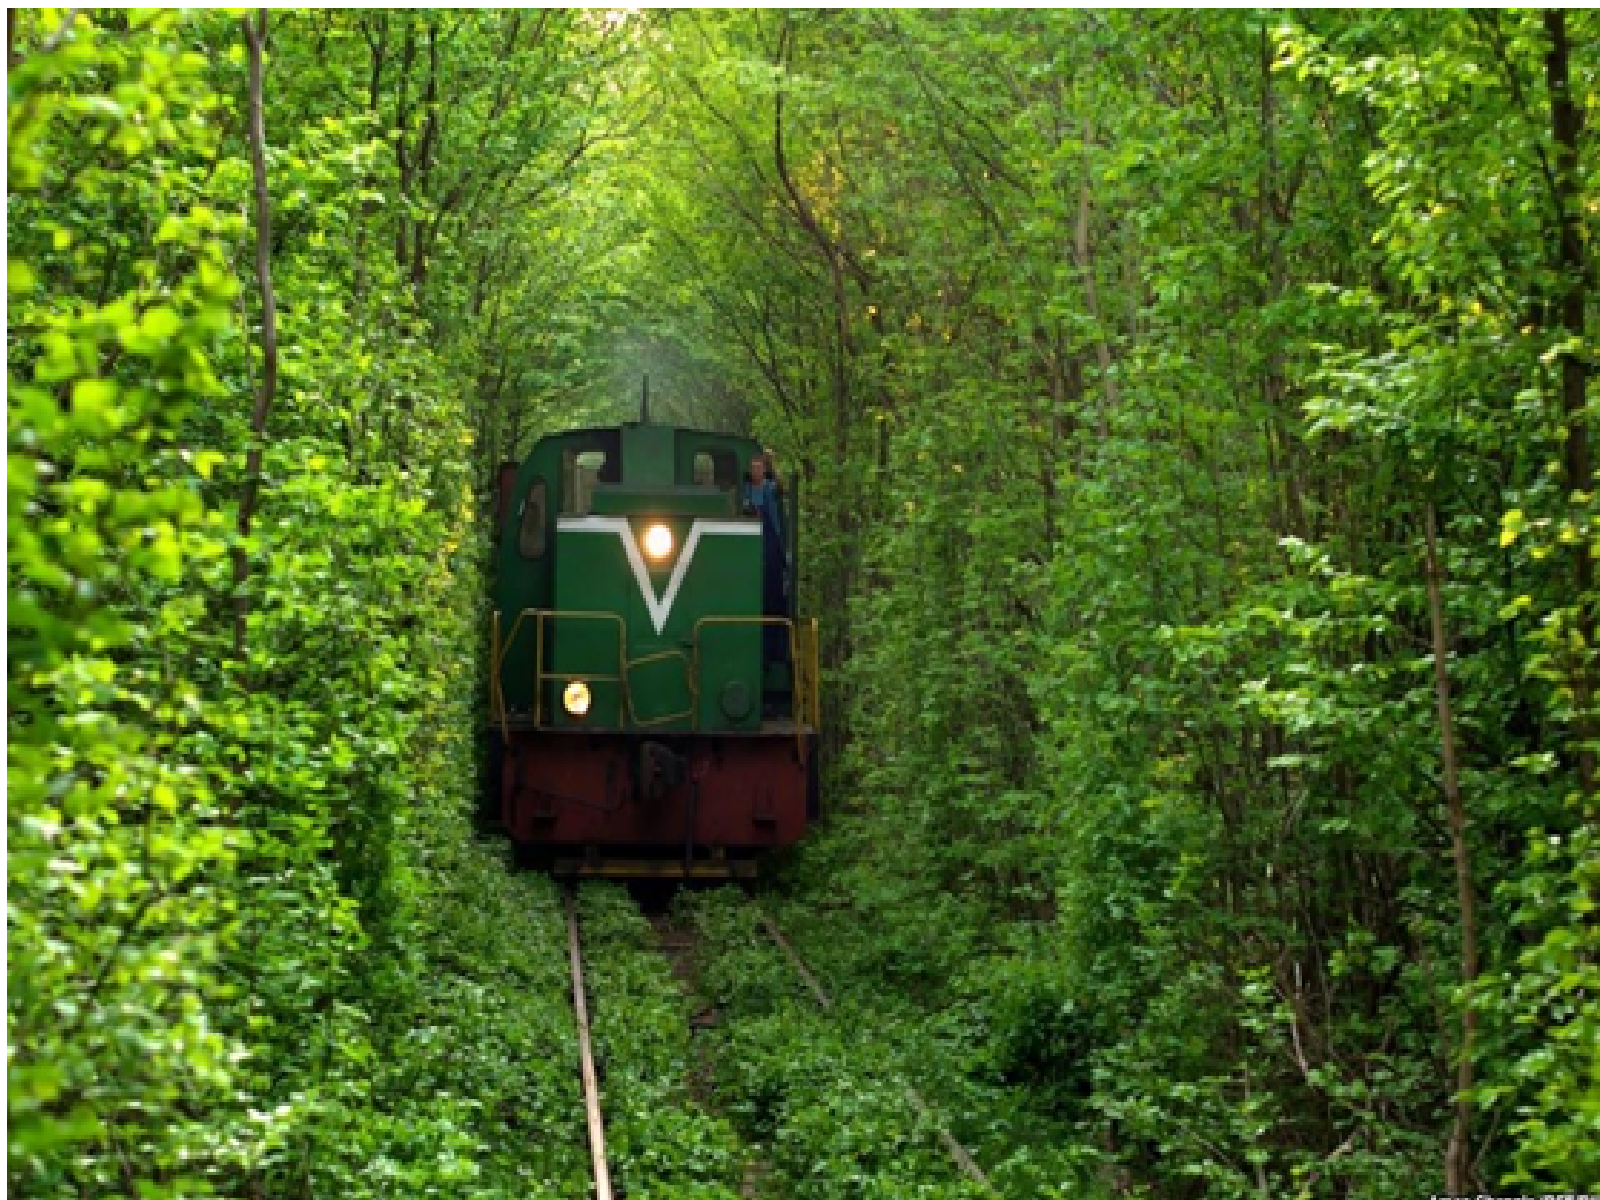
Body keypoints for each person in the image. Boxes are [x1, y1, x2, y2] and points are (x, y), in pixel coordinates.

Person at [741, 452, 789, 671]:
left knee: (774, 594)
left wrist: (774, 462)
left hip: (770, 541)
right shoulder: (745, 489)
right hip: (749, 542)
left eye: (759, 467)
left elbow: (781, 488)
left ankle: (773, 649)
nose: (756, 471)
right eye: (753, 467)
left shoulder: (770, 488)